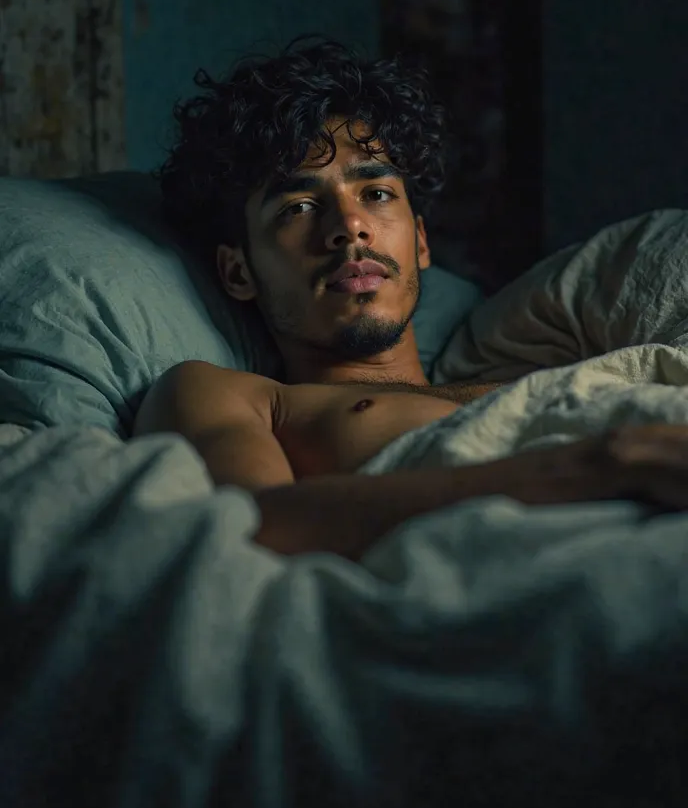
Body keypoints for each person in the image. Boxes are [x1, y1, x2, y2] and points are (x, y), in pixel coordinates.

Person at [135, 38, 688, 560]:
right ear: (238, 272)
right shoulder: (228, 394)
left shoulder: (530, 378)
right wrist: (604, 465)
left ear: (420, 241)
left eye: (376, 194)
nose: (350, 227)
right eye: (298, 206)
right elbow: (256, 525)